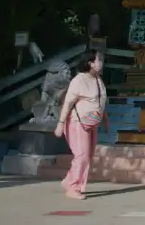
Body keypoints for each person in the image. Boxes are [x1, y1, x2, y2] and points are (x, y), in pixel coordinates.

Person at [53, 52, 107, 199]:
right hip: (78, 122)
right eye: (98, 60)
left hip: (92, 122)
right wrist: (60, 123)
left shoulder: (97, 79)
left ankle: (70, 181)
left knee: (87, 156)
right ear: (90, 63)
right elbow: (68, 103)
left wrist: (105, 118)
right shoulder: (79, 80)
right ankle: (73, 187)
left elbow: (99, 101)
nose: (100, 63)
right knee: (81, 156)